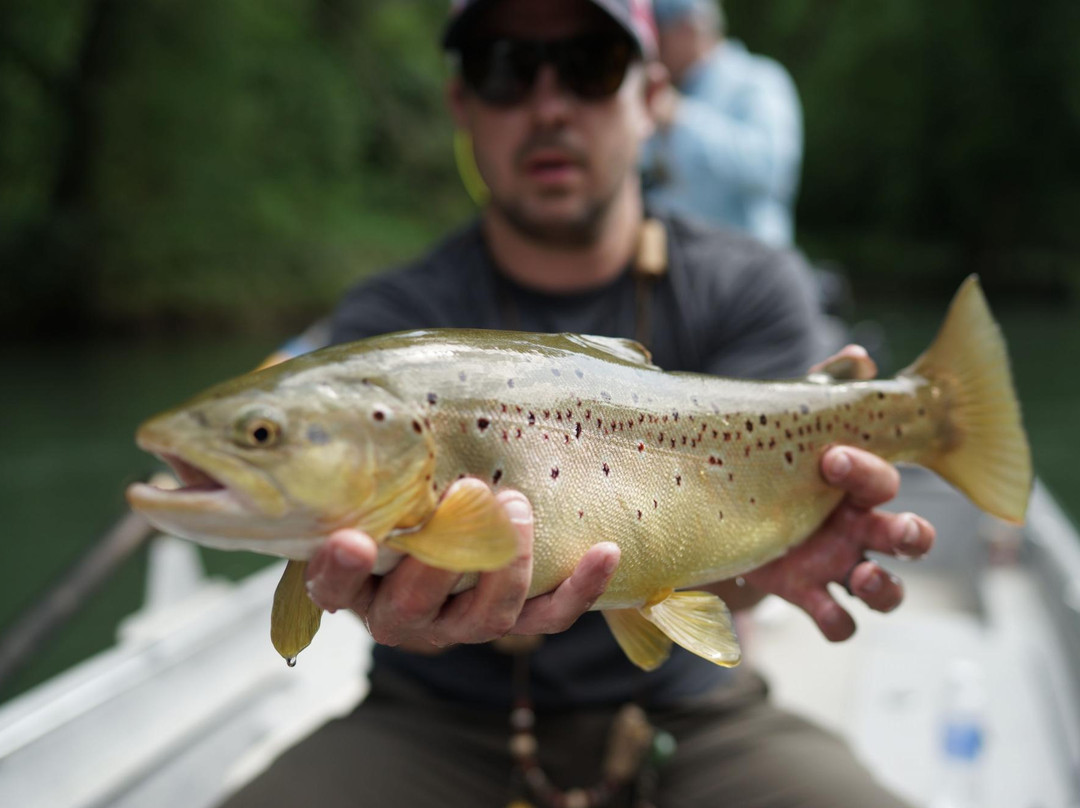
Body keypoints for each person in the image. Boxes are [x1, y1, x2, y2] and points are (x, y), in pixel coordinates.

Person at [222, 1, 932, 805]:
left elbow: (747, 543)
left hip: (691, 713)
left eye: (590, 65)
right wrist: (362, 597)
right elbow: (328, 515)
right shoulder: (393, 325)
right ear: (463, 105)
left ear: (651, 96)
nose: (549, 105)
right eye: (506, 69)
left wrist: (768, 556)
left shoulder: (753, 287)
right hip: (433, 717)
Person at [642, 0, 803, 247]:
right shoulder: (666, 95)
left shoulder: (760, 80)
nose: (652, 50)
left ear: (688, 29)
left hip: (750, 272)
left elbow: (770, 169)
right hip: (679, 271)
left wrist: (681, 119)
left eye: (658, 36)